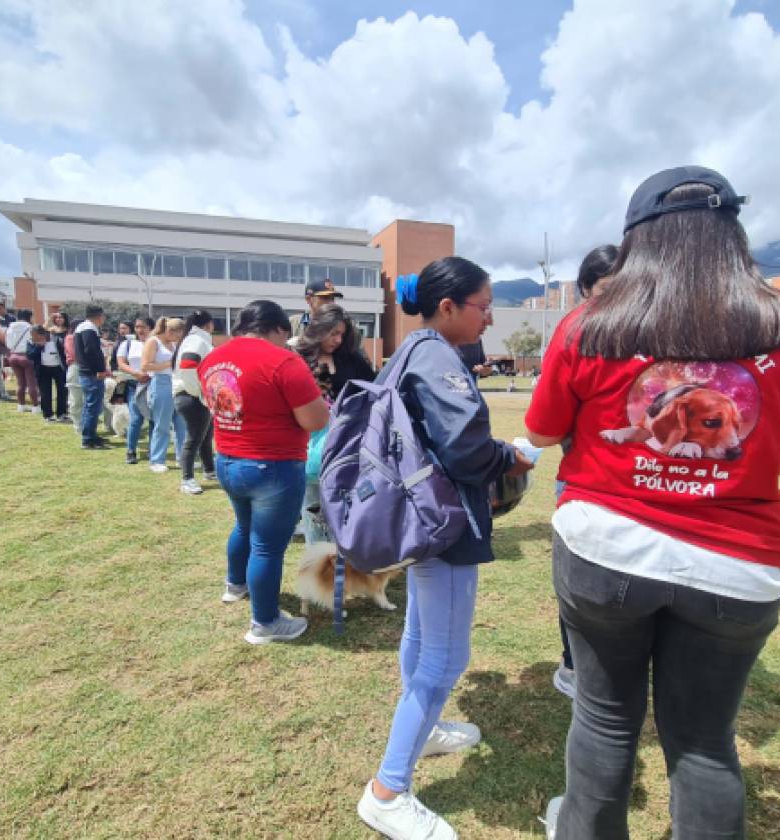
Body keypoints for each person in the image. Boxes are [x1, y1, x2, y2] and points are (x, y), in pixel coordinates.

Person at [525, 166, 780, 840]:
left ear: (638, 240)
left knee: (606, 719)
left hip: (604, 549)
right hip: (736, 563)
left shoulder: (591, 324)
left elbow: (544, 429)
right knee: (704, 743)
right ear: (733, 231)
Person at [356, 257, 534, 840]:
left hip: (417, 515)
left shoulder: (411, 350)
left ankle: (424, 733)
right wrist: (509, 455)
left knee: (420, 634)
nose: (489, 318)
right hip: (444, 520)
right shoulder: (435, 354)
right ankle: (387, 790)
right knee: (446, 659)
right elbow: (463, 446)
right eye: (484, 306)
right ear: (450, 306)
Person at [198, 301, 329, 644]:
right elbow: (315, 420)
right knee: (268, 547)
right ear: (279, 329)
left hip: (227, 458)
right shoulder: (284, 361)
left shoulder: (213, 358)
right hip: (273, 465)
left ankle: (235, 584)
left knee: (244, 527)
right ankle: (265, 622)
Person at [553, 242, 620, 702]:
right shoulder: (576, 333)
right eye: (604, 290)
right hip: (584, 481)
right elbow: (545, 426)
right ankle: (575, 665)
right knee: (580, 579)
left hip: (637, 486)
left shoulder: (656, 334)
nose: (617, 301)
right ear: (583, 291)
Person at [295, 303, 375, 543]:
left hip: (349, 446)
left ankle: (350, 563)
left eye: (342, 334)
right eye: (333, 333)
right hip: (309, 446)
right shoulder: (297, 359)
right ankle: (320, 565)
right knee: (313, 510)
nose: (338, 339)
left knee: (351, 508)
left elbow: (373, 391)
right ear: (318, 329)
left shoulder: (353, 360)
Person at [172, 310, 216, 494]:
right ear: (208, 324)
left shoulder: (195, 339)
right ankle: (187, 479)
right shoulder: (197, 341)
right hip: (191, 395)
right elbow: (188, 367)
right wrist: (199, 393)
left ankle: (209, 470)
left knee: (205, 435)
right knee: (194, 438)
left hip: (192, 395)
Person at [141, 317, 187, 472]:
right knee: (162, 423)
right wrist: (171, 362)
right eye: (177, 336)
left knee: (181, 423)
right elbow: (146, 365)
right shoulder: (153, 342)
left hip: (175, 382)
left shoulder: (172, 344)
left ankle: (183, 458)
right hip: (160, 382)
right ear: (169, 331)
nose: (178, 339)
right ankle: (157, 459)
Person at [117, 317, 154, 464]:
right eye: (138, 327)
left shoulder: (156, 343)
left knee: (153, 419)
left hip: (152, 384)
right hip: (134, 385)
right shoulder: (127, 344)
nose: (140, 330)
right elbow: (121, 363)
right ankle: (131, 450)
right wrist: (136, 373)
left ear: (151, 328)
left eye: (143, 327)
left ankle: (154, 449)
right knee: (136, 419)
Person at [74, 305, 110, 450]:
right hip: (91, 373)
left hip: (85, 371)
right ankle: (88, 439)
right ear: (99, 315)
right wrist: (100, 369)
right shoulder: (89, 328)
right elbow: (92, 351)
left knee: (89, 406)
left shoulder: (82, 327)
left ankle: (90, 434)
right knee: (92, 407)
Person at [5, 309, 41, 414]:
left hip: (13, 355)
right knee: (31, 383)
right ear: (29, 317)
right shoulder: (30, 328)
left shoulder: (10, 327)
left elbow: (7, 343)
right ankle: (35, 406)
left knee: (20, 383)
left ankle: (21, 405)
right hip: (26, 356)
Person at [31, 324, 69, 423]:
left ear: (42, 334)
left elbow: (63, 352)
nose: (33, 337)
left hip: (58, 368)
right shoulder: (32, 341)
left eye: (35, 336)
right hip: (43, 369)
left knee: (62, 390)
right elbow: (30, 355)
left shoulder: (55, 339)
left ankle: (62, 414)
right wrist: (38, 346)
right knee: (45, 392)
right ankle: (48, 415)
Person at [64, 318, 84, 434]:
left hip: (84, 368)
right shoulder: (71, 338)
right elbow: (74, 354)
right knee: (76, 399)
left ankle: (84, 425)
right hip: (76, 367)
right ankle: (78, 425)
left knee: (85, 399)